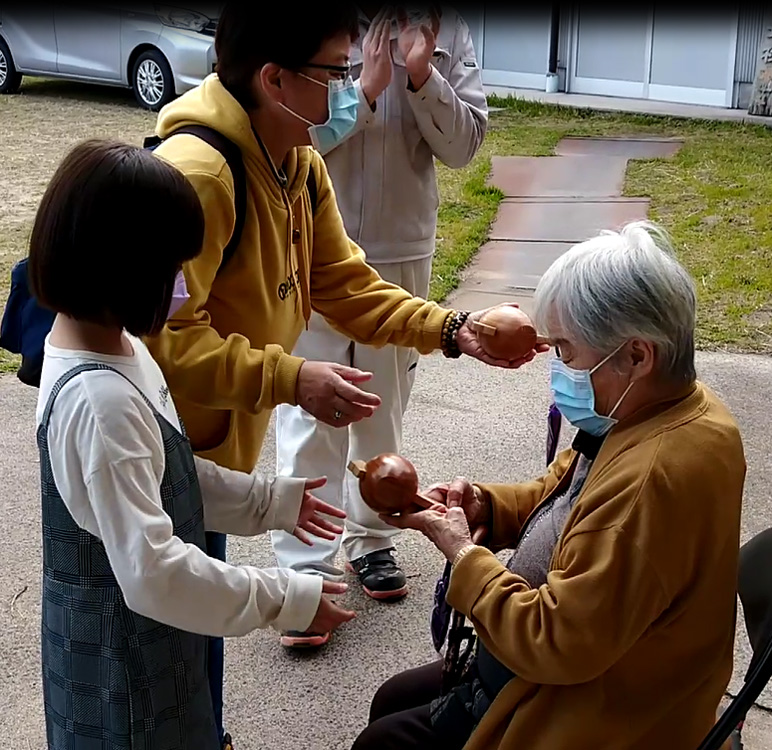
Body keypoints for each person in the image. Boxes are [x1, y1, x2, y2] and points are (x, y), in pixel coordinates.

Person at [142, 5, 538, 745]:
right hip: (165, 453)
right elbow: (162, 343)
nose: (349, 91)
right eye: (334, 75)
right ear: (275, 80)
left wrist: (455, 330)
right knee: (159, 650)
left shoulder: (296, 160)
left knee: (189, 658)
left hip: (213, 453)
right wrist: (292, 380)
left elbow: (347, 286)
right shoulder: (199, 176)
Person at [351, 221, 747, 750]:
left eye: (565, 350)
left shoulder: (651, 477)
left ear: (637, 355)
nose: (558, 369)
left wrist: (464, 556)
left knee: (386, 740)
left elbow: (556, 642)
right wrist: (485, 505)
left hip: (599, 702)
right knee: (394, 700)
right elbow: (558, 494)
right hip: (581, 654)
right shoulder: (655, 410)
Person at [30, 139, 354, 750]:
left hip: (155, 651)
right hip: (124, 679)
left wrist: (268, 502)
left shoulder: (116, 347)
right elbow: (154, 573)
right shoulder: (101, 404)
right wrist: (284, 596)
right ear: (123, 265)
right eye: (171, 267)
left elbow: (165, 470)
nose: (182, 285)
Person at [271, 3, 488, 638]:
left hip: (400, 249)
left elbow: (464, 146)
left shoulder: (445, 28)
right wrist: (364, 93)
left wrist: (424, 76)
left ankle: (369, 538)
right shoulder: (317, 24)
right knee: (310, 405)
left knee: (381, 407)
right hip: (310, 246)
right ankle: (306, 569)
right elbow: (285, 131)